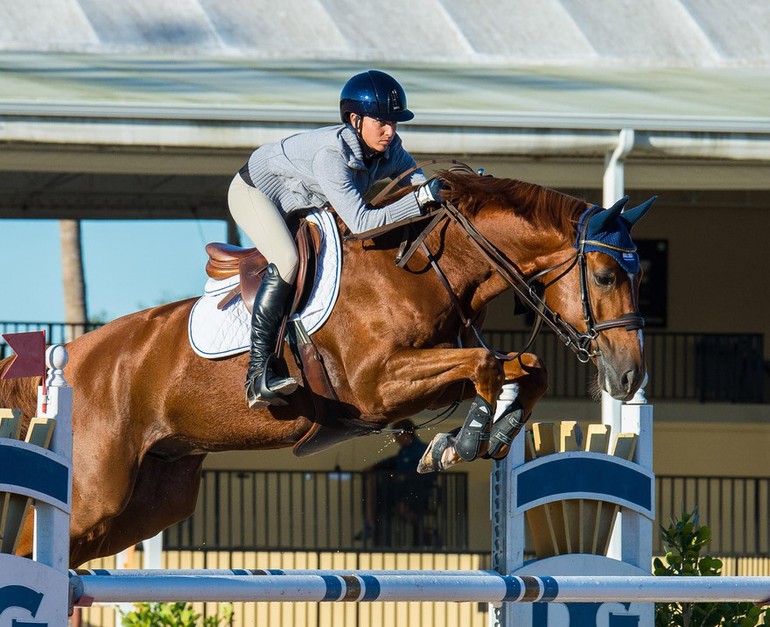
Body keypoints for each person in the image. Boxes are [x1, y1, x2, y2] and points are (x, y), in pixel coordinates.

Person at [228, 69, 444, 408]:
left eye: (395, 123)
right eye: (381, 122)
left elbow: (419, 188)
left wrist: (452, 194)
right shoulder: (332, 157)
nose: (390, 131)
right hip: (255, 193)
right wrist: (418, 201)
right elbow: (361, 221)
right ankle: (258, 375)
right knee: (287, 260)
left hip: (302, 199)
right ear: (355, 120)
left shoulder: (392, 148)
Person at [359, 419, 438, 547]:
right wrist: (374, 467)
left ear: (406, 434)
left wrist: (405, 477)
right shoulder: (403, 452)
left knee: (402, 508)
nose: (395, 440)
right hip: (400, 491)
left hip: (418, 491)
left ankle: (427, 532)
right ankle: (371, 525)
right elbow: (392, 462)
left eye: (397, 436)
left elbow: (428, 473)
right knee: (380, 497)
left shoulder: (422, 450)